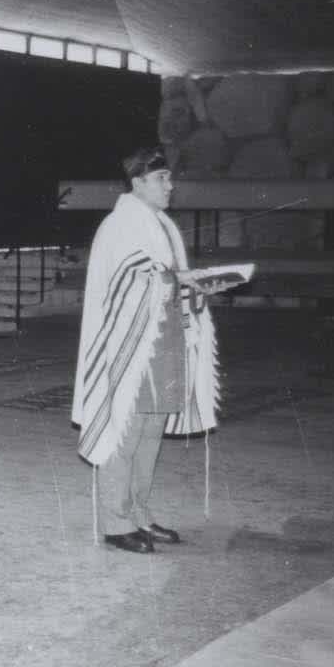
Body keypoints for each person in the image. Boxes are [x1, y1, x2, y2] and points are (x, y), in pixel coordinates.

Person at [71, 146, 221, 553]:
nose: (169, 185)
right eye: (161, 178)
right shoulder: (120, 224)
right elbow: (129, 278)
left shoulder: (162, 225)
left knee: (150, 433)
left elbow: (164, 277)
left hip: (164, 339)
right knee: (125, 429)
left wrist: (197, 284)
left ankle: (139, 515)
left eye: (169, 178)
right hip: (132, 344)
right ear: (137, 182)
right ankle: (117, 523)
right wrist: (179, 278)